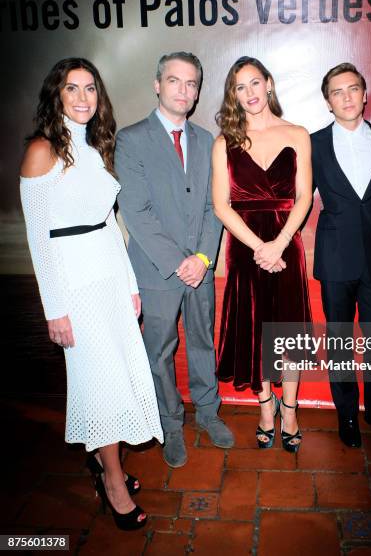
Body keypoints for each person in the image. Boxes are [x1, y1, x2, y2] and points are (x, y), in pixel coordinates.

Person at [20, 58, 163, 531]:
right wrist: (54, 310)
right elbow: (40, 241)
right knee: (100, 384)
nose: (83, 98)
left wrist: (129, 284)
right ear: (56, 96)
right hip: (74, 289)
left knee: (118, 377)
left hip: (108, 278)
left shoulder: (97, 147)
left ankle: (105, 464)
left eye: (90, 89)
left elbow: (107, 224)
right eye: (71, 89)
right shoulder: (42, 151)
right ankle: (113, 482)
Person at [115, 52, 233, 469]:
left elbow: (213, 207)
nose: (184, 90)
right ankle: (169, 422)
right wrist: (179, 261)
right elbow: (136, 211)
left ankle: (208, 412)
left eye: (191, 83)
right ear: (157, 84)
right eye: (174, 81)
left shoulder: (206, 141)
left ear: (198, 90)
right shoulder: (131, 139)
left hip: (200, 268)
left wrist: (202, 257)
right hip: (155, 271)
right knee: (159, 352)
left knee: (203, 341)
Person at [213, 56, 312, 453]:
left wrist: (281, 243)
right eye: (240, 87)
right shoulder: (224, 142)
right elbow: (221, 205)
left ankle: (290, 410)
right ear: (233, 95)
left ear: (269, 84)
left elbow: (304, 196)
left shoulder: (298, 133)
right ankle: (266, 408)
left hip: (287, 245)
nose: (250, 93)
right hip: (247, 247)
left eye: (255, 83)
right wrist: (260, 248)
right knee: (255, 332)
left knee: (286, 334)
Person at [311, 62, 371, 448]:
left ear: (365, 94)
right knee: (340, 341)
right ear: (328, 101)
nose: (346, 97)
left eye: (353, 89)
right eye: (337, 91)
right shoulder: (313, 143)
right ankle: (346, 415)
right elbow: (300, 197)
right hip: (334, 257)